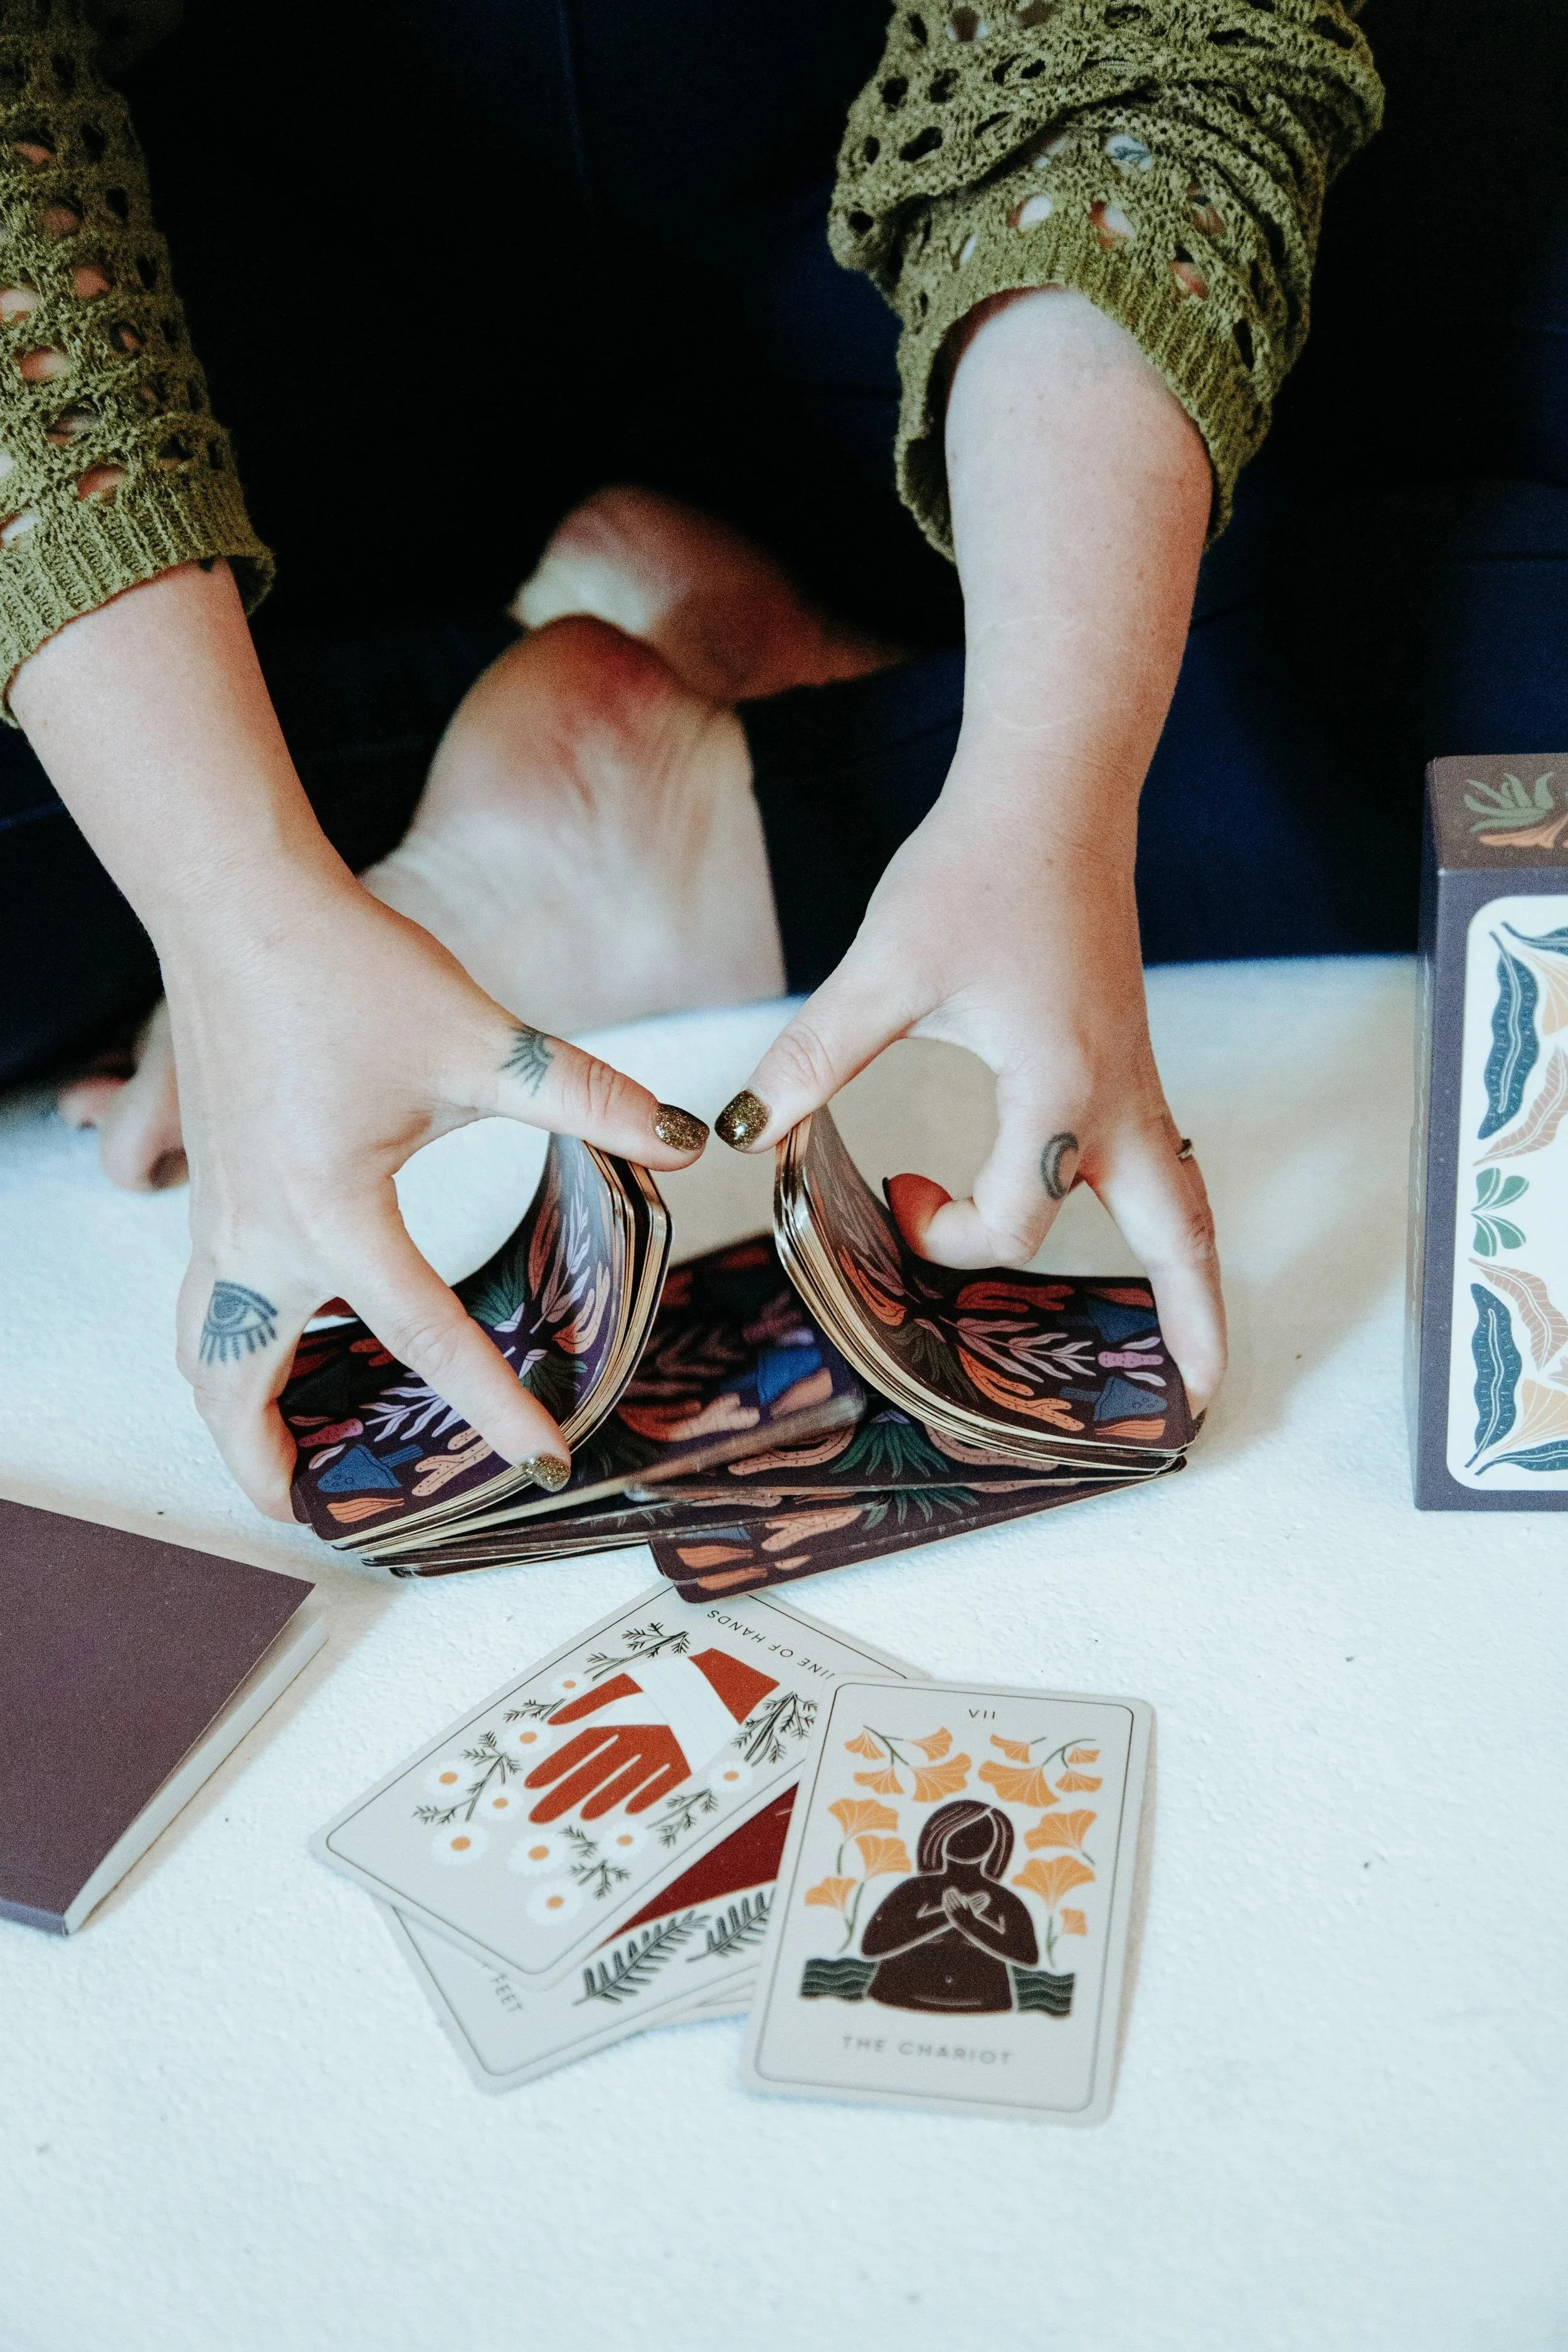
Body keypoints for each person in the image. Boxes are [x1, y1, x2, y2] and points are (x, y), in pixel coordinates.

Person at [0, 3, 1561, 1520]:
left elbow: (1131, 44)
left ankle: (715, 818)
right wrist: (228, 898)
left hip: (905, 220)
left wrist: (1054, 781)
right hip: (220, 285)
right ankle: (624, 722)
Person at [857, 1800, 1037, 2013]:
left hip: (984, 2010)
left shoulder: (1004, 1900)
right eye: (963, 1829)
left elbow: (1028, 1956)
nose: (970, 1839)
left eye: (979, 1832)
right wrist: (947, 1916)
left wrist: (971, 1924)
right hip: (897, 2003)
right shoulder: (914, 1890)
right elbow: (872, 1946)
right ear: (939, 1834)